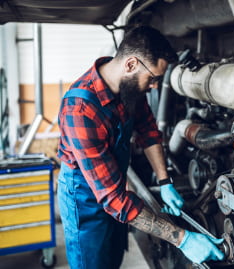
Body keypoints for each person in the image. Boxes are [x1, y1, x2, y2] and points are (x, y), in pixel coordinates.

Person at [57, 25, 224, 269]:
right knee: (92, 263)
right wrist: (183, 239)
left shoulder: (130, 88)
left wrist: (165, 181)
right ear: (131, 64)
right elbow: (115, 201)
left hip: (113, 184)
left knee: (113, 257)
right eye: (153, 79)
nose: (155, 86)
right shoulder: (80, 109)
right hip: (84, 199)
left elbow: (148, 130)